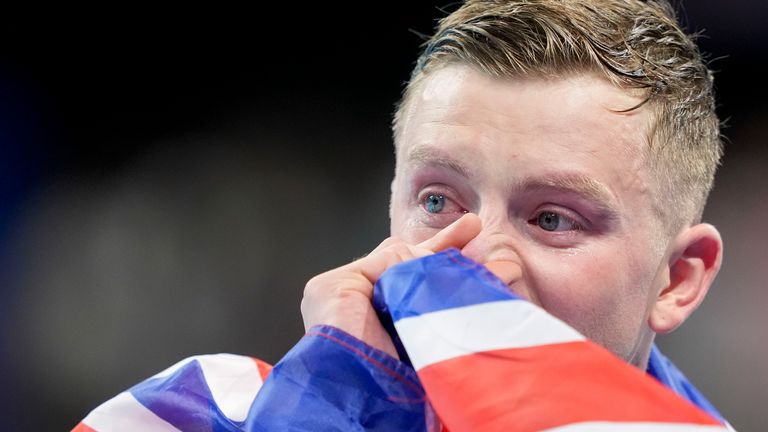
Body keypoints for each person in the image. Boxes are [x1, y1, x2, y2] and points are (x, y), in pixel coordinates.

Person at [75, 1, 733, 430]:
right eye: (438, 202)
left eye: (552, 220)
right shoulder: (188, 414)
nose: (479, 259)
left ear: (677, 279)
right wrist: (324, 405)